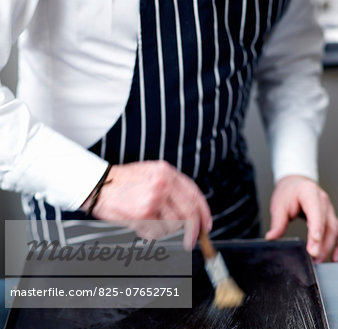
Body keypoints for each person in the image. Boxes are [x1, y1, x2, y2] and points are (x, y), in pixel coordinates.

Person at [0, 0, 337, 261]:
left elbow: (288, 64)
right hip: (87, 223)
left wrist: (296, 169)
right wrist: (97, 185)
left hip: (226, 208)